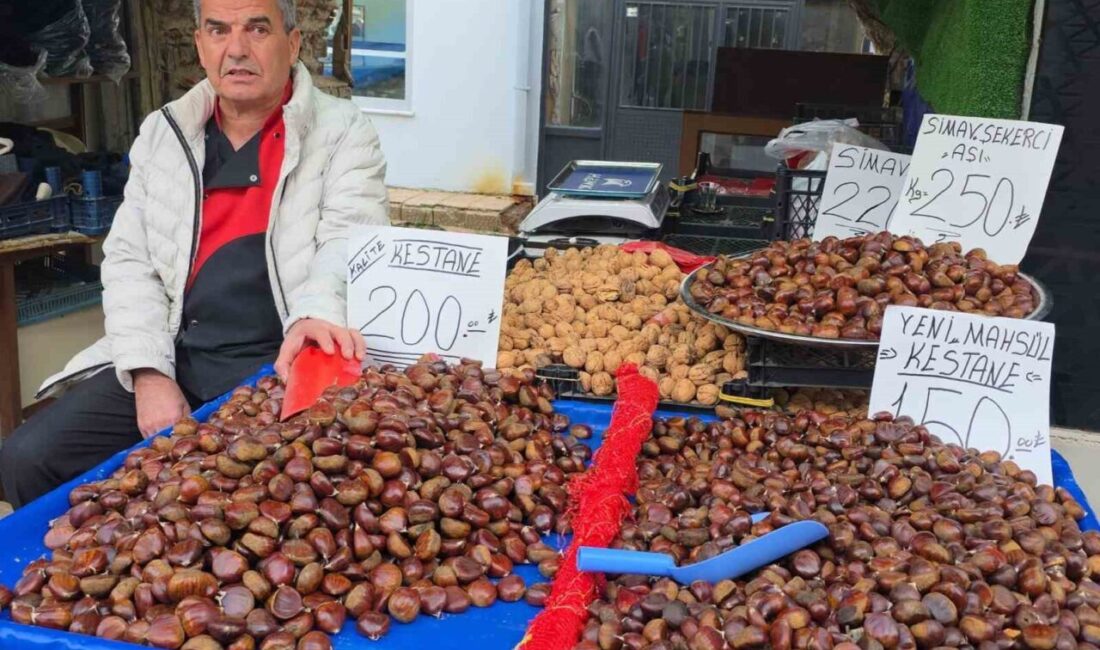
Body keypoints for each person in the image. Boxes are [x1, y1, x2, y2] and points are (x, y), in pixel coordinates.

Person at [0, 0, 388, 507]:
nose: (237, 49)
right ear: (201, 46)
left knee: (267, 496)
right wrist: (148, 372)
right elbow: (129, 260)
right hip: (176, 350)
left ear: (292, 45)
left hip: (279, 360)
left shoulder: (342, 132)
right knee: (27, 458)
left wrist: (315, 312)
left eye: (257, 28)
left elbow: (350, 239)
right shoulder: (164, 133)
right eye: (219, 30)